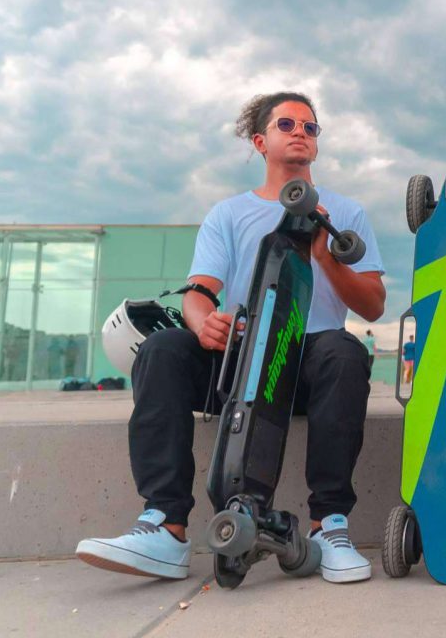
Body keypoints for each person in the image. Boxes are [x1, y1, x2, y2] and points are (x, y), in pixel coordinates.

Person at [76, 92, 386, 583]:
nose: (301, 133)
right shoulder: (228, 214)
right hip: (244, 362)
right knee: (163, 349)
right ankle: (165, 527)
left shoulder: (346, 212)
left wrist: (326, 257)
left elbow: (373, 305)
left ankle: (329, 527)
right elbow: (199, 294)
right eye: (288, 125)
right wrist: (204, 323)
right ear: (260, 141)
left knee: (344, 350)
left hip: (311, 365)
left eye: (310, 127)